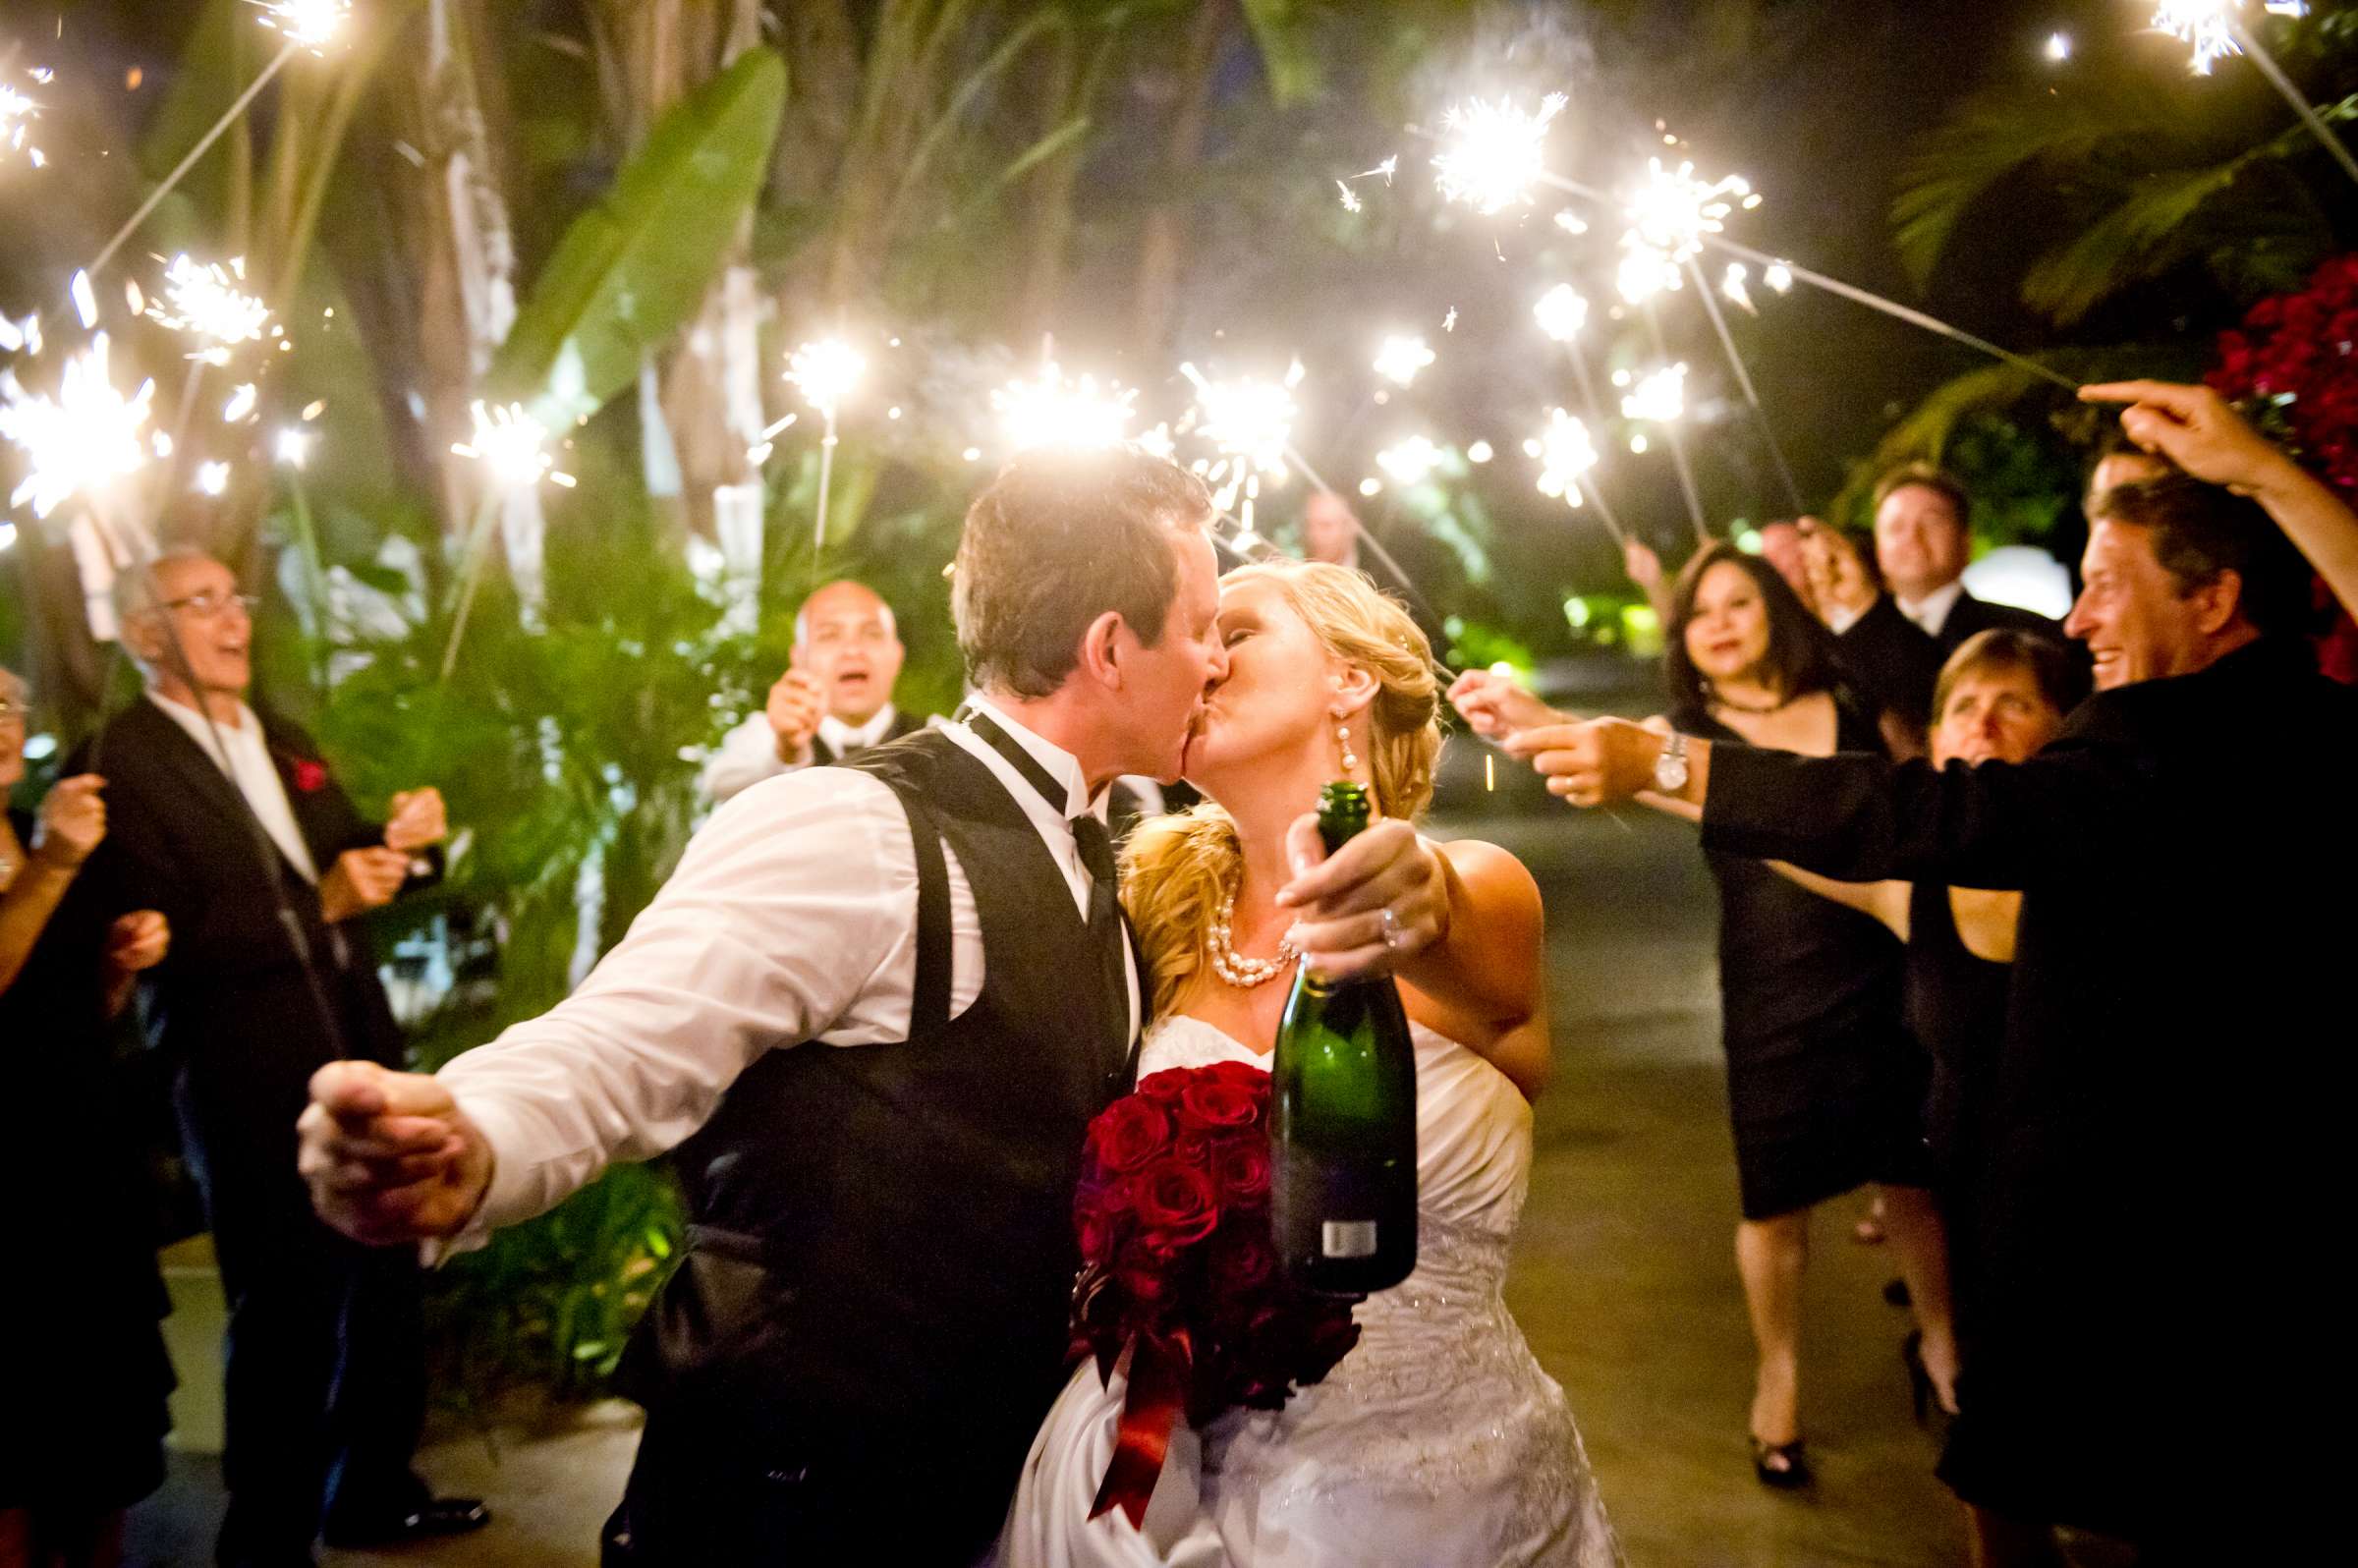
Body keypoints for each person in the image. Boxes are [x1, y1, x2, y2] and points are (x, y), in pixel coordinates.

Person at [295, 446, 1447, 1566]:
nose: (1213, 664)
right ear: (1109, 648)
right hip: (787, 1504)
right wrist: (471, 1135)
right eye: (1202, 629)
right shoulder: (854, 830)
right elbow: (617, 1042)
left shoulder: (1116, 847)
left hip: (966, 1495)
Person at [1504, 455, 2353, 1558]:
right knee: (2019, 1468)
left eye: (2104, 581)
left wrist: (1668, 761)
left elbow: (1901, 806)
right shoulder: (2305, 724)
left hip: (2162, 1231)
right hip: (2083, 1219)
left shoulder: (2159, 749)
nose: (2079, 613)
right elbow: (1864, 834)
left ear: (2216, 597)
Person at [994, 559, 1620, 1568]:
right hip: (1183, 1488)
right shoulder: (1146, 922)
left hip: (1452, 1497)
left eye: (1234, 631)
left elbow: (1440, 918)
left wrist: (1412, 897)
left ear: (1350, 680)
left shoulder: (1481, 889)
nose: (1202, 658)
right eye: (1191, 638)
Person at [1460, 545, 1955, 1486]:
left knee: (1912, 1175)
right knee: (1775, 1197)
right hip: (1775, 980)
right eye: (1700, 614)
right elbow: (1611, 754)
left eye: (1740, 602)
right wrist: (1529, 722)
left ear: (1778, 608)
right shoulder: (1681, 730)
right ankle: (1779, 1380)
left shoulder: (1853, 702)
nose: (1721, 623)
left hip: (1888, 966)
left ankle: (1945, 1350)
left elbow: (1918, 792)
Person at [76, 553, 479, 1568]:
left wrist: (408, 844)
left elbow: (341, 851)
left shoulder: (281, 734)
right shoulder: (119, 760)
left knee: (386, 1267)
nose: (231, 618)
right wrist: (321, 903)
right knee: (284, 1299)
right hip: (235, 1066)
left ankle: (373, 1491)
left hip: (353, 1032)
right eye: (199, 601)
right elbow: (158, 935)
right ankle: (267, 1538)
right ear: (142, 632)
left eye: (235, 596)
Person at [2, 670, 174, 1568]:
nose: (1, 723)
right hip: (5, 1193)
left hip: (83, 1172)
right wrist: (60, 864)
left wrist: (114, 966)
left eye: (7, 704)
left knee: (98, 1457)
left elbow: (62, 1011)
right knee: (15, 1463)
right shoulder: (50, 850)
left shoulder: (28, 831)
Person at [701, 579, 923, 804]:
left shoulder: (937, 739)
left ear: (897, 655)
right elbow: (718, 786)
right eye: (829, 635)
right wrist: (786, 751)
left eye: (871, 634)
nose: (853, 650)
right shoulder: (765, 735)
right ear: (798, 659)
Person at [1300, 489, 1448, 654]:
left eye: (1326, 526)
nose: (1314, 535)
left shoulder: (1388, 579)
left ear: (1352, 526)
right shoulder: (1302, 586)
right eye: (1309, 525)